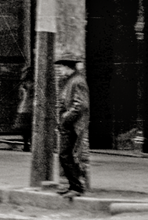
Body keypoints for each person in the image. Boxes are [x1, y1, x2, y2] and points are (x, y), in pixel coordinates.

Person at [55, 57, 89, 196]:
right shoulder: (72, 80)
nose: (60, 70)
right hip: (69, 124)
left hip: (73, 124)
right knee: (65, 155)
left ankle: (76, 187)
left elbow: (80, 105)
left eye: (61, 67)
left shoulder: (77, 81)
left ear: (67, 67)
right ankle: (73, 185)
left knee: (65, 155)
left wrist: (65, 118)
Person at [15, 63, 34, 152]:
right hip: (32, 108)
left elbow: (20, 96)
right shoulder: (34, 84)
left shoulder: (23, 85)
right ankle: (31, 144)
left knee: (24, 129)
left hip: (23, 108)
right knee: (31, 128)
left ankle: (26, 144)